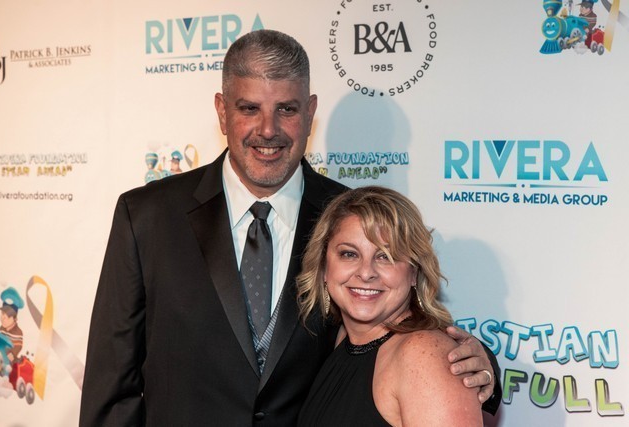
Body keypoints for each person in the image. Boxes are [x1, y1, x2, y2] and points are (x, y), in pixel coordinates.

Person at [79, 29, 500, 427]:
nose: (268, 130)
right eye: (249, 108)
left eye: (287, 109)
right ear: (222, 112)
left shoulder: (348, 219)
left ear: (310, 112)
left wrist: (481, 365)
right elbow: (112, 385)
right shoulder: (147, 216)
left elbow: (402, 329)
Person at [297, 186, 483, 426]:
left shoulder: (422, 356)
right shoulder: (343, 338)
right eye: (349, 254)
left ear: (414, 272)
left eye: (386, 256)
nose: (366, 273)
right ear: (324, 266)